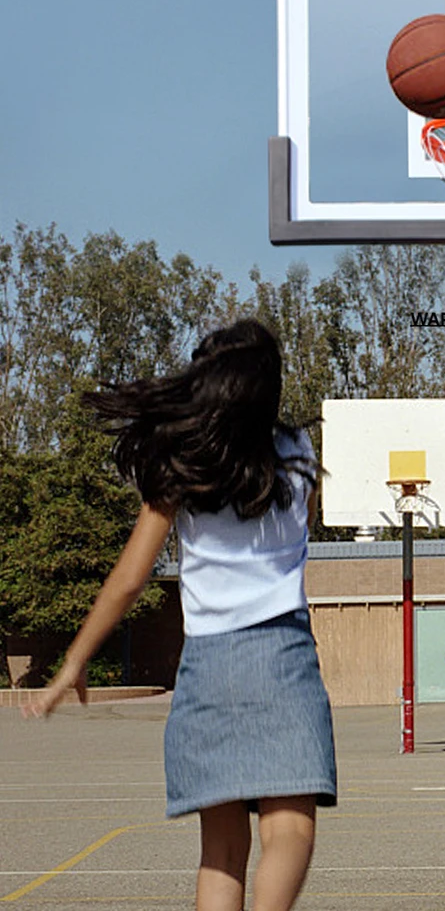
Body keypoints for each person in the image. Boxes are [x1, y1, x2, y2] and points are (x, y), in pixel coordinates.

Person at [23, 319, 337, 911]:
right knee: (289, 832)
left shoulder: (184, 466)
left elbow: (129, 579)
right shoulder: (297, 452)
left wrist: (75, 660)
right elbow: (302, 530)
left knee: (220, 852)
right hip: (282, 658)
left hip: (209, 666)